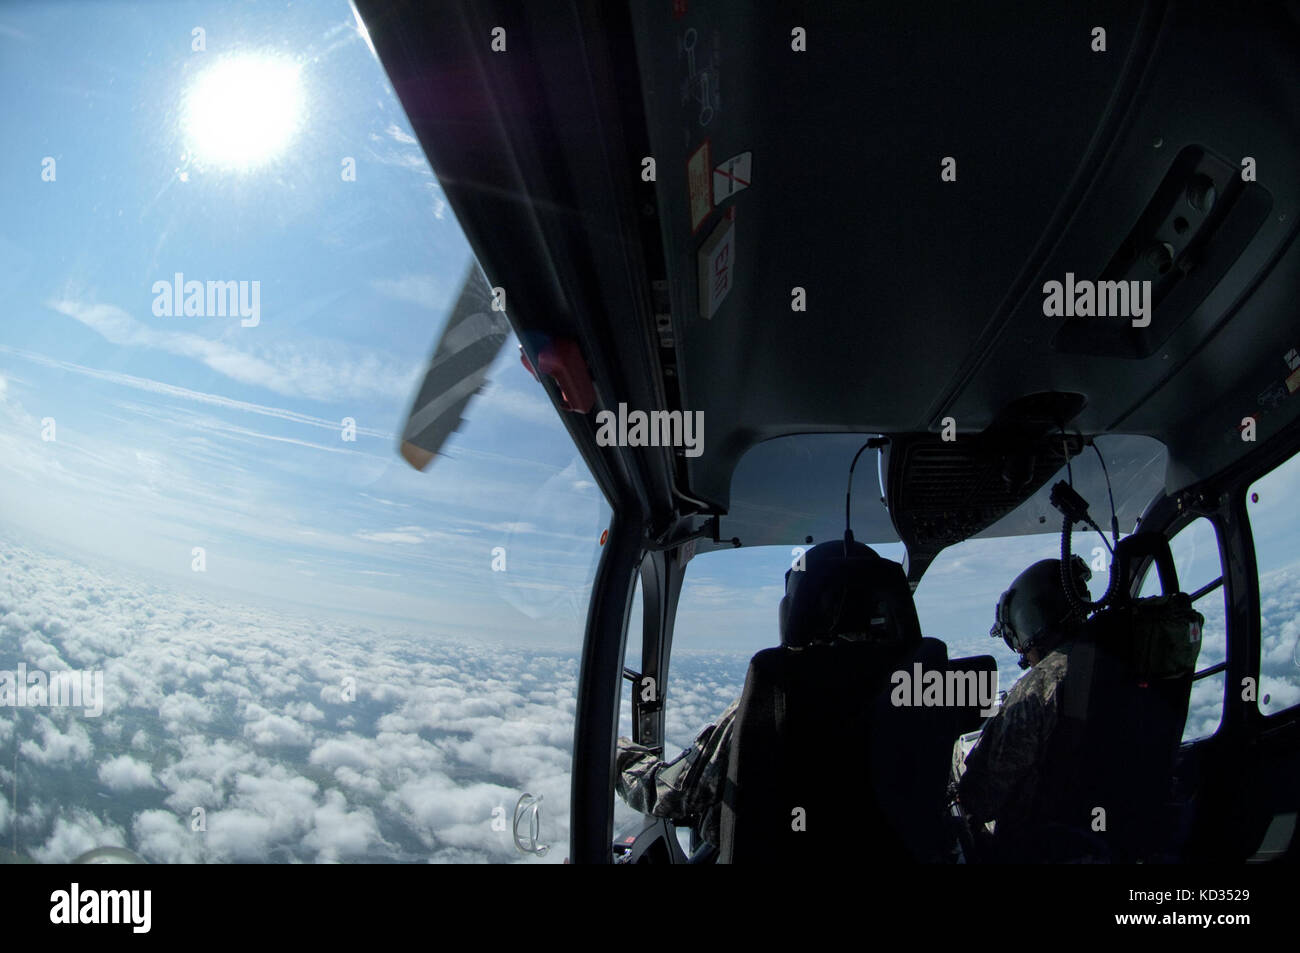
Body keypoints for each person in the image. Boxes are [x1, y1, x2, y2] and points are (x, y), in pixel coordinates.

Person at [957, 555, 1094, 861]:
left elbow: (983, 799)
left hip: (1047, 844)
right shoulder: (1119, 658)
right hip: (1119, 828)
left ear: (1029, 619)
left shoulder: (1040, 685)